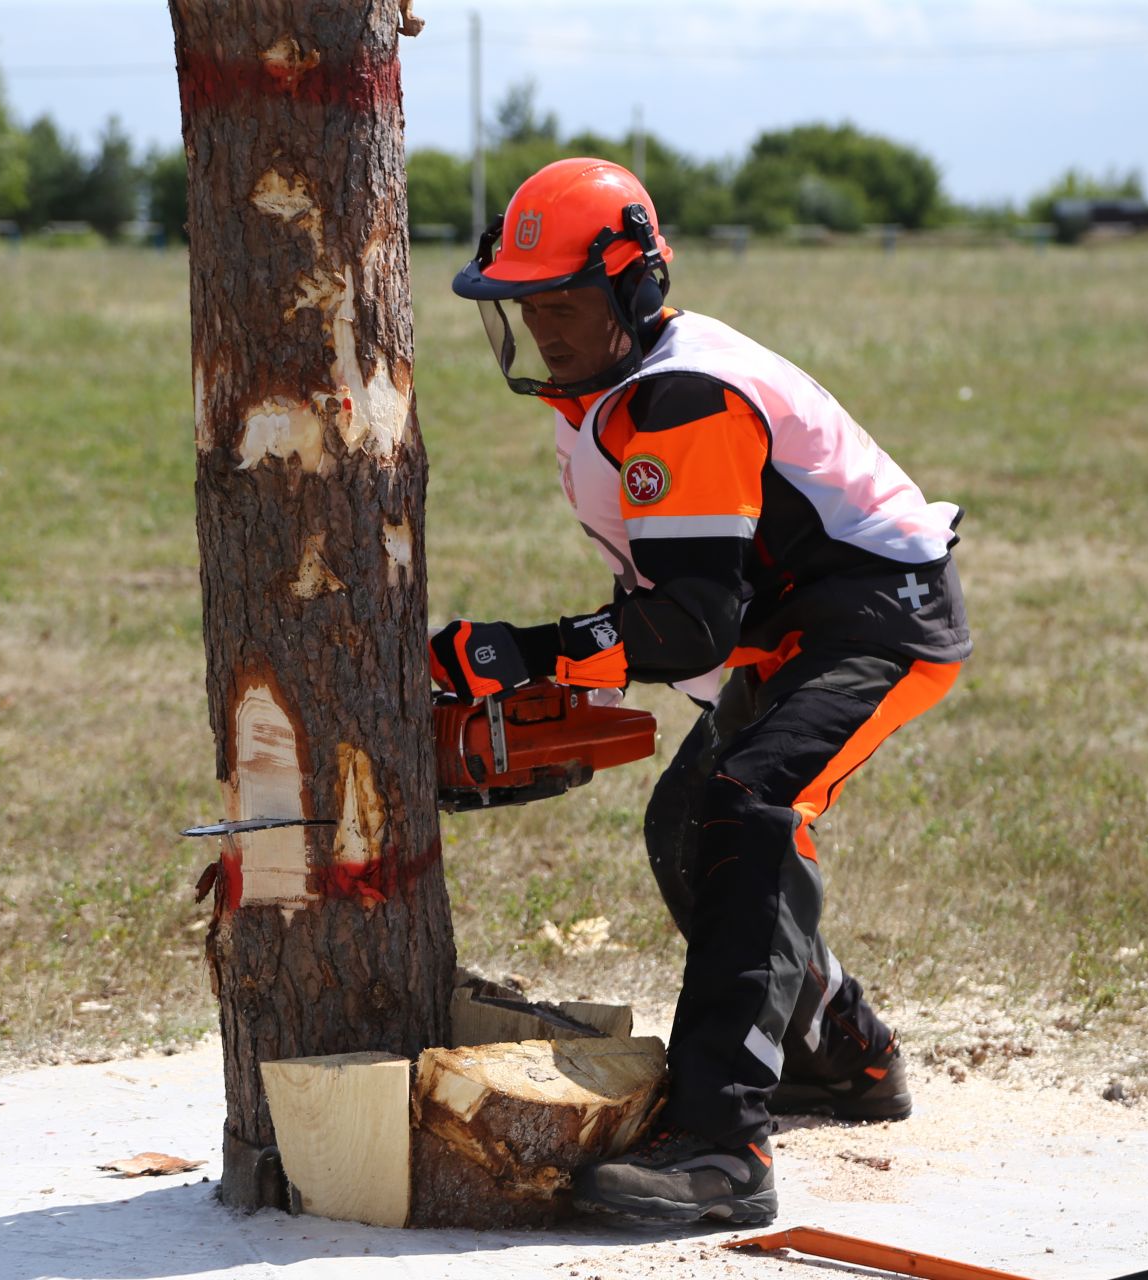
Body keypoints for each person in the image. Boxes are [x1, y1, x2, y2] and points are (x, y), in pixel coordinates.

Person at [427, 158, 972, 1226]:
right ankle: (844, 1054)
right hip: (792, 623)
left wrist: (521, 654)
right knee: (690, 822)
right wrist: (557, 666)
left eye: (566, 299)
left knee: (753, 804)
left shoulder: (678, 398)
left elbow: (690, 626)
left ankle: (724, 1146)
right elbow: (685, 602)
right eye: (526, 301)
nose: (544, 324)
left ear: (634, 287)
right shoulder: (608, 388)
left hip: (874, 615)